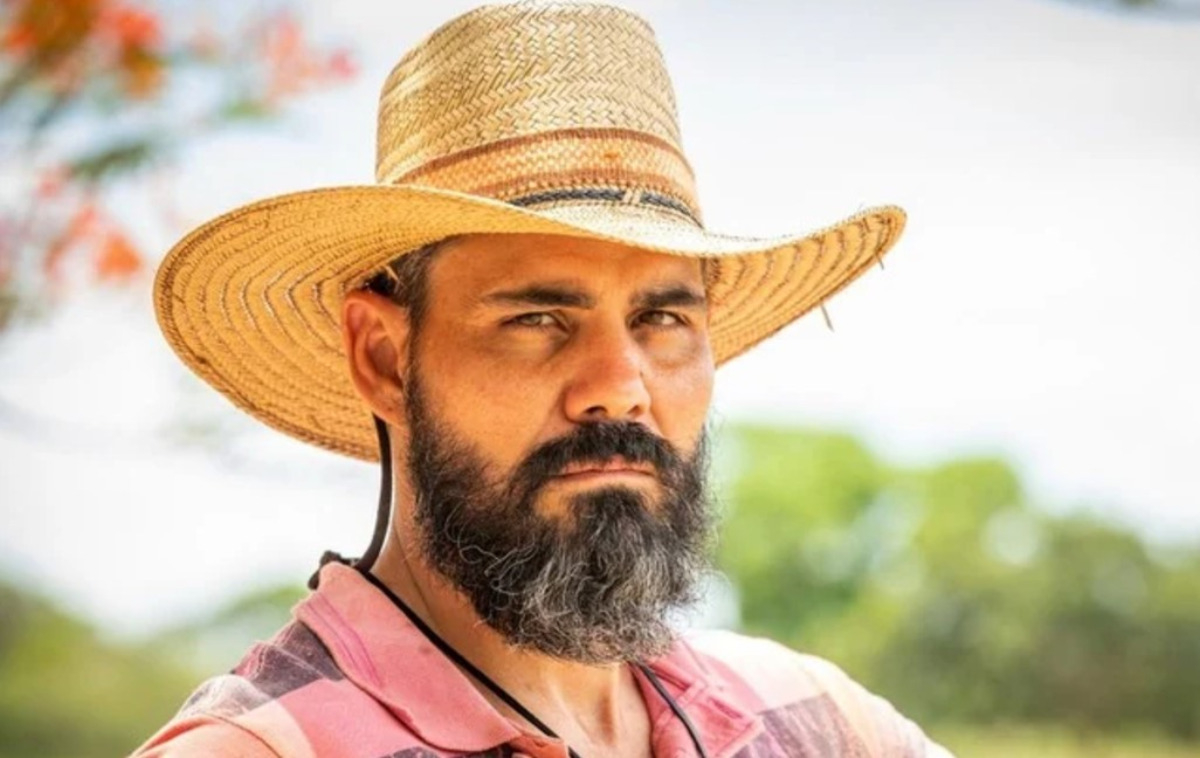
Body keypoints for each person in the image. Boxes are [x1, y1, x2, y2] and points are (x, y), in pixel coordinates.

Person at [136, 2, 951, 756]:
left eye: (663, 319)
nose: (620, 388)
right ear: (383, 358)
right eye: (537, 319)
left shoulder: (817, 723)